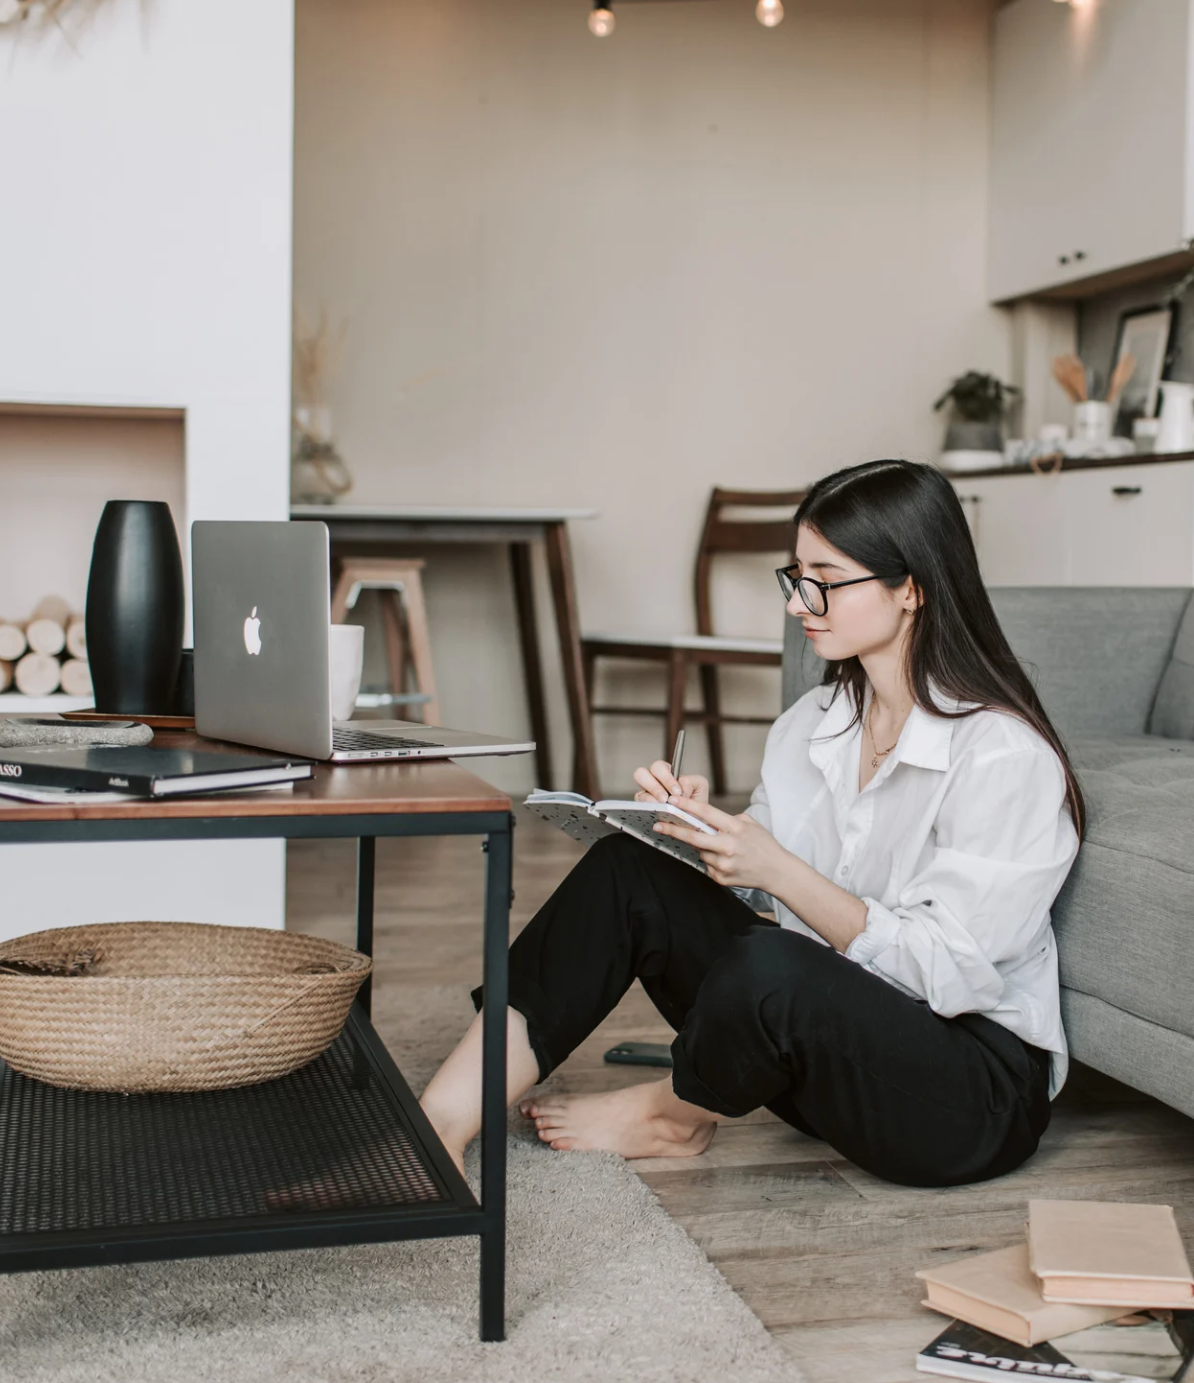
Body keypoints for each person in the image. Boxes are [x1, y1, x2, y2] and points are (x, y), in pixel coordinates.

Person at [417, 458, 1084, 1188]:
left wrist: (778, 871)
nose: (800, 602)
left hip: (965, 1097)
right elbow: (765, 902)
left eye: (825, 579)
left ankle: (673, 1113)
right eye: (794, 574)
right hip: (832, 1049)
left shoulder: (1002, 757)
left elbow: (948, 974)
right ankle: (440, 1122)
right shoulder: (813, 724)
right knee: (629, 873)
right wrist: (697, 836)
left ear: (911, 589)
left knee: (775, 968)